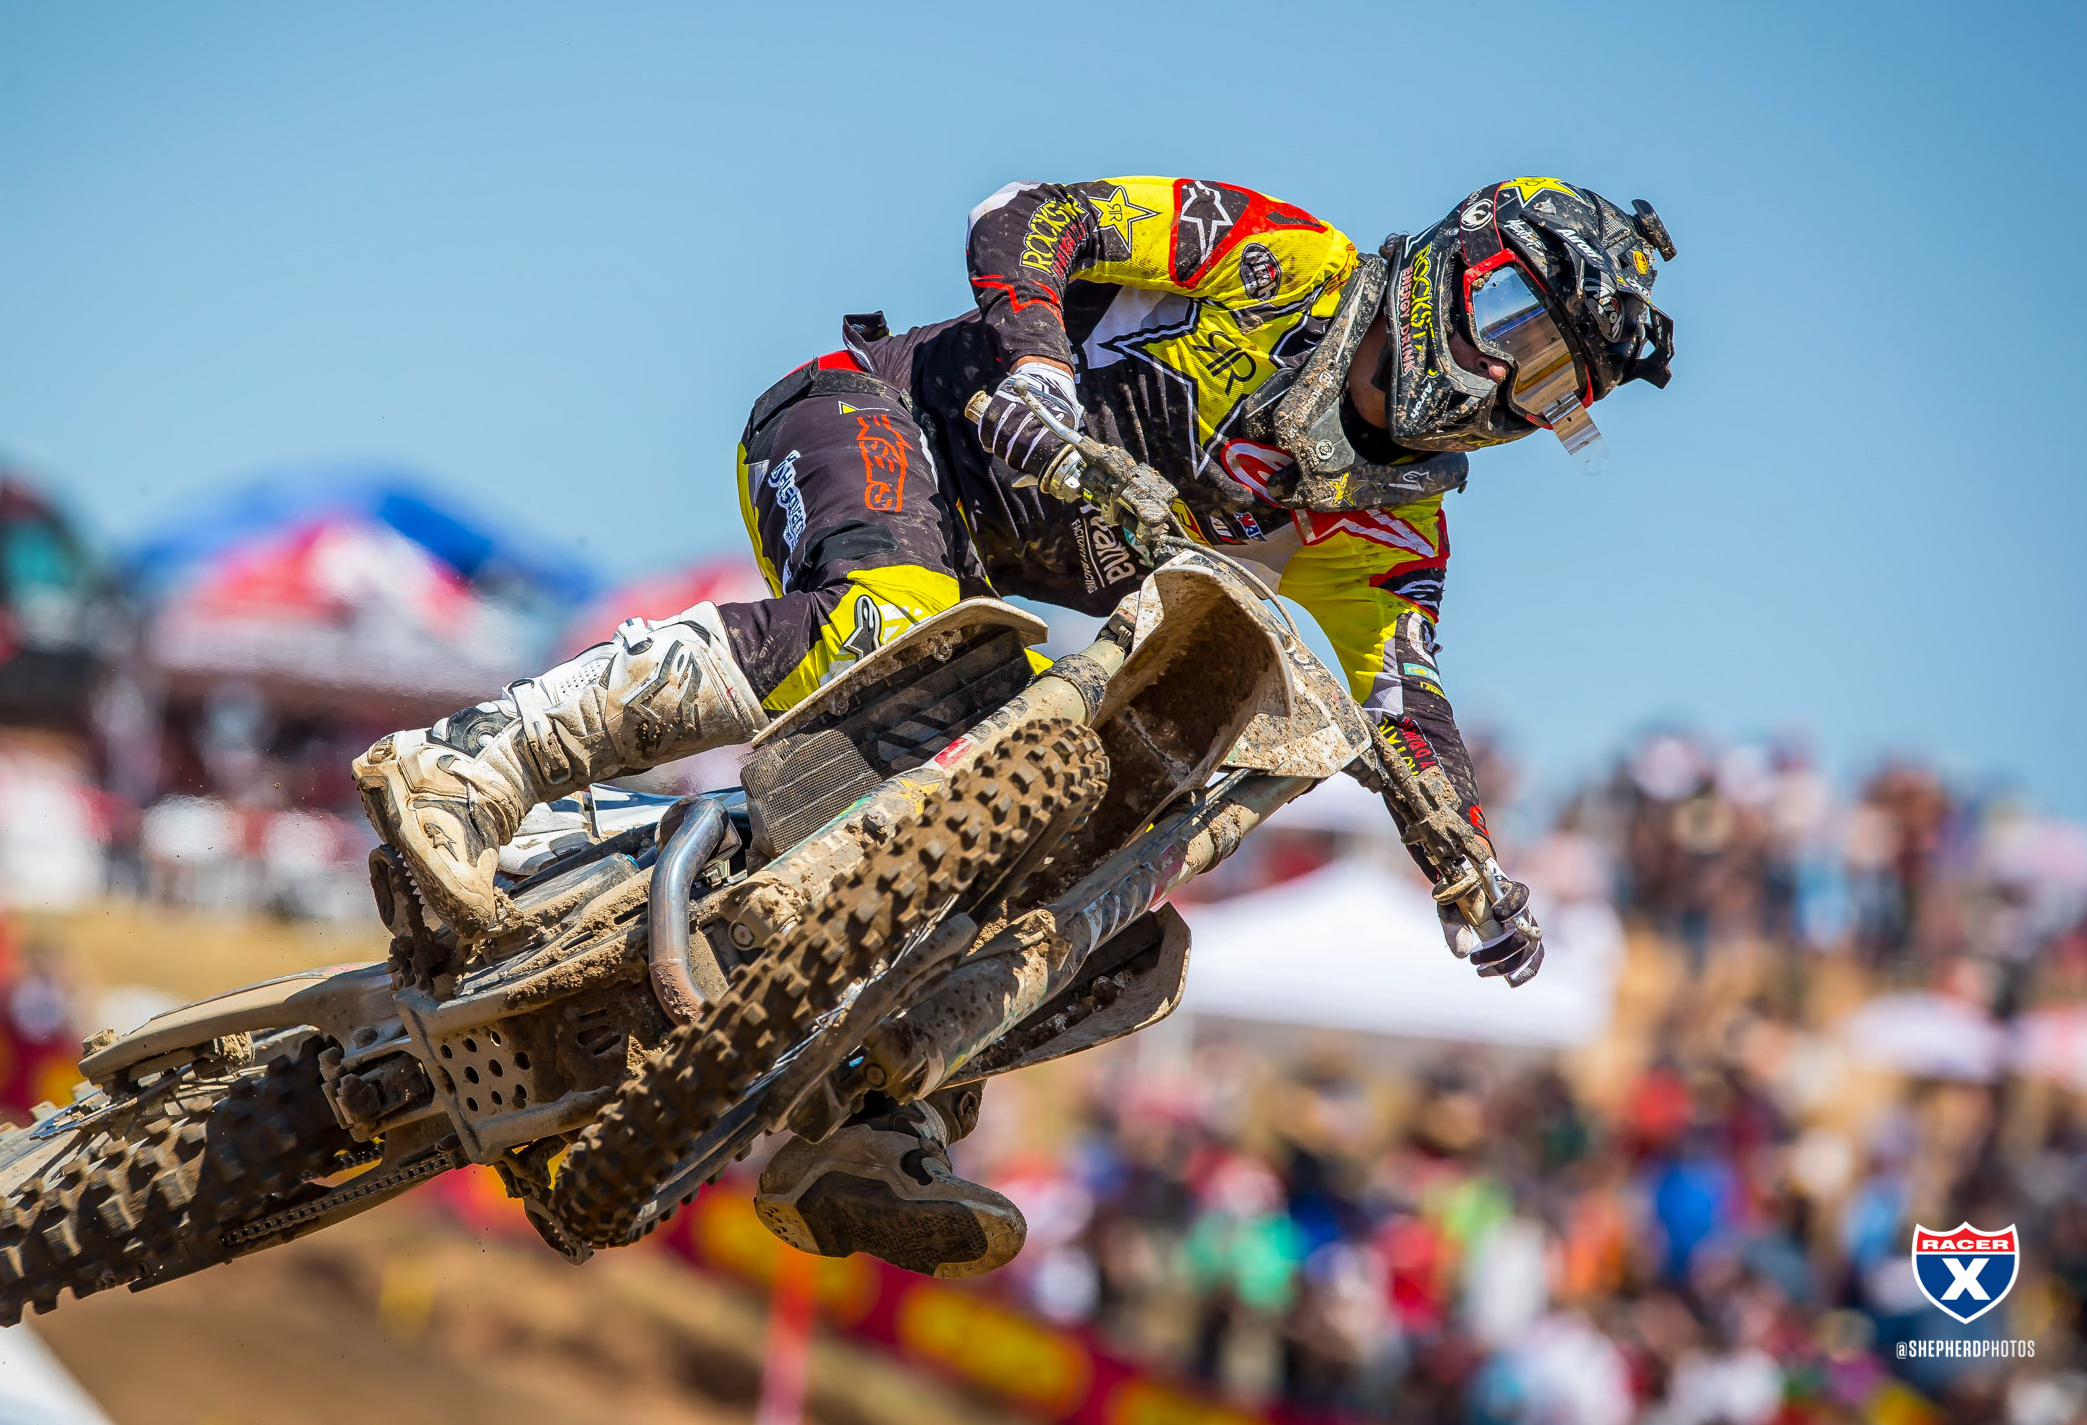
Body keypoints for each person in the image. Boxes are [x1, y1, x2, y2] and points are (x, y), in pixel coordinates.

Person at [353, 174, 1677, 1277]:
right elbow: (1029, 214)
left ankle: (878, 1110)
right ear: (1457, 259)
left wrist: (1468, 861)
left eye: (1550, 379)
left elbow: (1402, 697)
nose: (1503, 373)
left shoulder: (1392, 525)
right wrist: (1037, 365)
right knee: (883, 617)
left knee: (1121, 890)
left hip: (977, 604)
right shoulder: (1288, 263)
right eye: (1512, 320)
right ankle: (476, 765)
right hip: (876, 413)